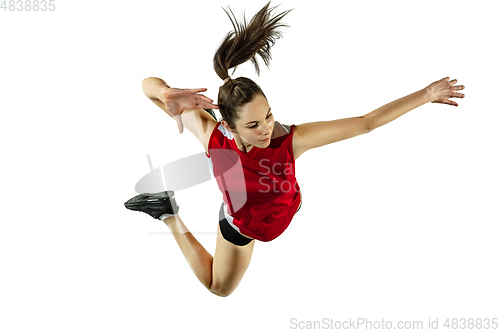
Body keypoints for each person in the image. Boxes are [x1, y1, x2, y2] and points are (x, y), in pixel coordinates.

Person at [124, 2, 465, 297]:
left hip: (285, 206)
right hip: (243, 224)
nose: (267, 129)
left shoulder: (290, 140)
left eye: (269, 116)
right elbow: (146, 86)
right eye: (254, 126)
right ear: (229, 126)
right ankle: (167, 212)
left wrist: (426, 94)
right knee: (219, 288)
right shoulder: (212, 134)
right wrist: (166, 92)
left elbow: (366, 122)